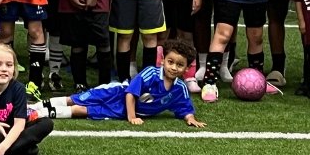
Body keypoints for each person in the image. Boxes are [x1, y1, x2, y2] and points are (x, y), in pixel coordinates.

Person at [39, 39, 205, 128]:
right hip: (117, 93)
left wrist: (190, 118)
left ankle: (39, 114)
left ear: (186, 69)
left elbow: (184, 107)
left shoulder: (180, 88)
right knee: (78, 99)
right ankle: (36, 106)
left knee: (82, 111)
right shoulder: (150, 73)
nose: (174, 67)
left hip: (121, 110)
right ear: (162, 60)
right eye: (170, 62)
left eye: (179, 65)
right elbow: (131, 93)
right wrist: (132, 117)